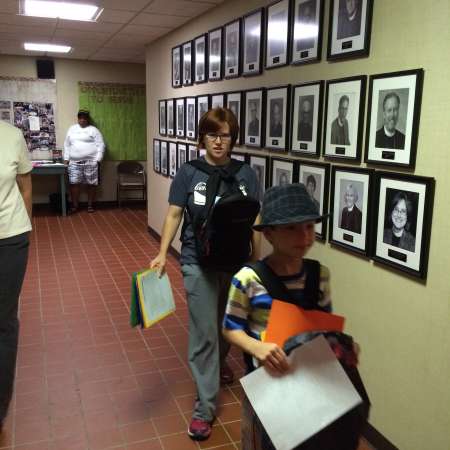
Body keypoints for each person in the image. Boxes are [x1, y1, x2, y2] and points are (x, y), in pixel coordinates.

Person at [150, 107, 261, 441]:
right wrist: (160, 252)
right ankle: (204, 407)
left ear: (233, 139)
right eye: (212, 134)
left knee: (226, 326)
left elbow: (254, 219)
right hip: (197, 261)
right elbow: (173, 214)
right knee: (204, 333)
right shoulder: (188, 173)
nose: (218, 141)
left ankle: (217, 366)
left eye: (225, 135)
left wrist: (256, 260)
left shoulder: (247, 175)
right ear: (203, 137)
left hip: (235, 263)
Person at [0, 121, 33, 432]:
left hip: (10, 237)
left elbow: (25, 187)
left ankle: (1, 402)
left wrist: (27, 227)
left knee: (4, 318)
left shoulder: (11, 136)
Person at [63, 109, 105, 213]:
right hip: (74, 162)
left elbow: (101, 145)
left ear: (88, 119)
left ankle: (90, 205)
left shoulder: (93, 130)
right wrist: (66, 159)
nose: (82, 120)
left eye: (84, 118)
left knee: (91, 184)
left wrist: (98, 160)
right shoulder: (72, 129)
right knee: (73, 183)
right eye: (80, 118)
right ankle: (75, 206)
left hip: (91, 162)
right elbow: (67, 145)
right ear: (78, 118)